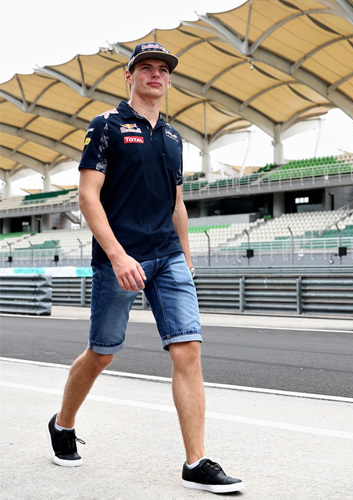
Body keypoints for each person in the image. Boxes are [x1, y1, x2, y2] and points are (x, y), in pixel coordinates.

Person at [45, 42, 244, 494]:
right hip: (119, 259)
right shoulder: (106, 126)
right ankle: (63, 423)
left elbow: (177, 204)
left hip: (168, 256)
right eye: (146, 68)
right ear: (129, 76)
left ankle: (196, 462)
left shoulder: (174, 139)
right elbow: (87, 197)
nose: (156, 74)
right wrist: (117, 255)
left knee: (188, 349)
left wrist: (187, 258)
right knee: (102, 353)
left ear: (169, 81)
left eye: (163, 70)